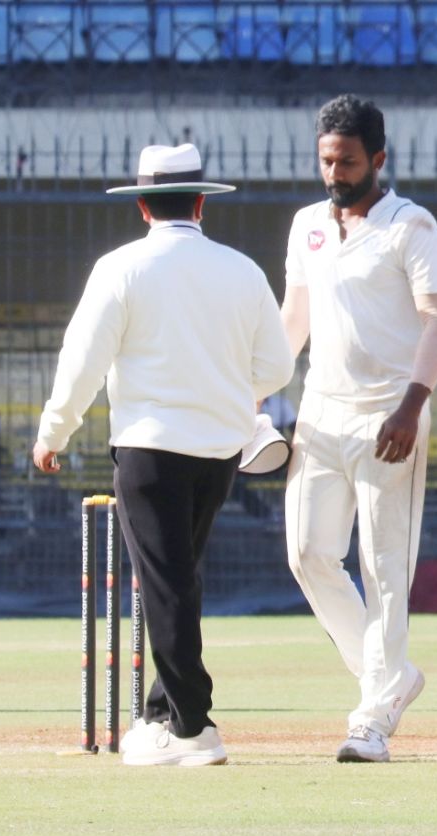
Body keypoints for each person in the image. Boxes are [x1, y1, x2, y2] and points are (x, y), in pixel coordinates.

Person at [33, 143, 294, 766]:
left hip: (149, 447)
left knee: (168, 582)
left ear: (142, 205)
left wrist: (54, 432)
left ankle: (194, 728)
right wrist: (225, 392)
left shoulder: (121, 267)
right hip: (219, 449)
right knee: (179, 578)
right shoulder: (241, 270)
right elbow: (278, 366)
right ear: (202, 202)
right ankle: (161, 710)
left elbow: (82, 362)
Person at [280, 95, 437, 763]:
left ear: (377, 159)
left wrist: (413, 404)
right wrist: (260, 388)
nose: (334, 172)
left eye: (347, 161)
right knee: (308, 554)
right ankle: (391, 678)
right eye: (326, 159)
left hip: (391, 416)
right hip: (320, 412)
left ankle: (372, 719)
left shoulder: (413, 227)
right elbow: (293, 317)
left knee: (384, 570)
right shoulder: (306, 227)